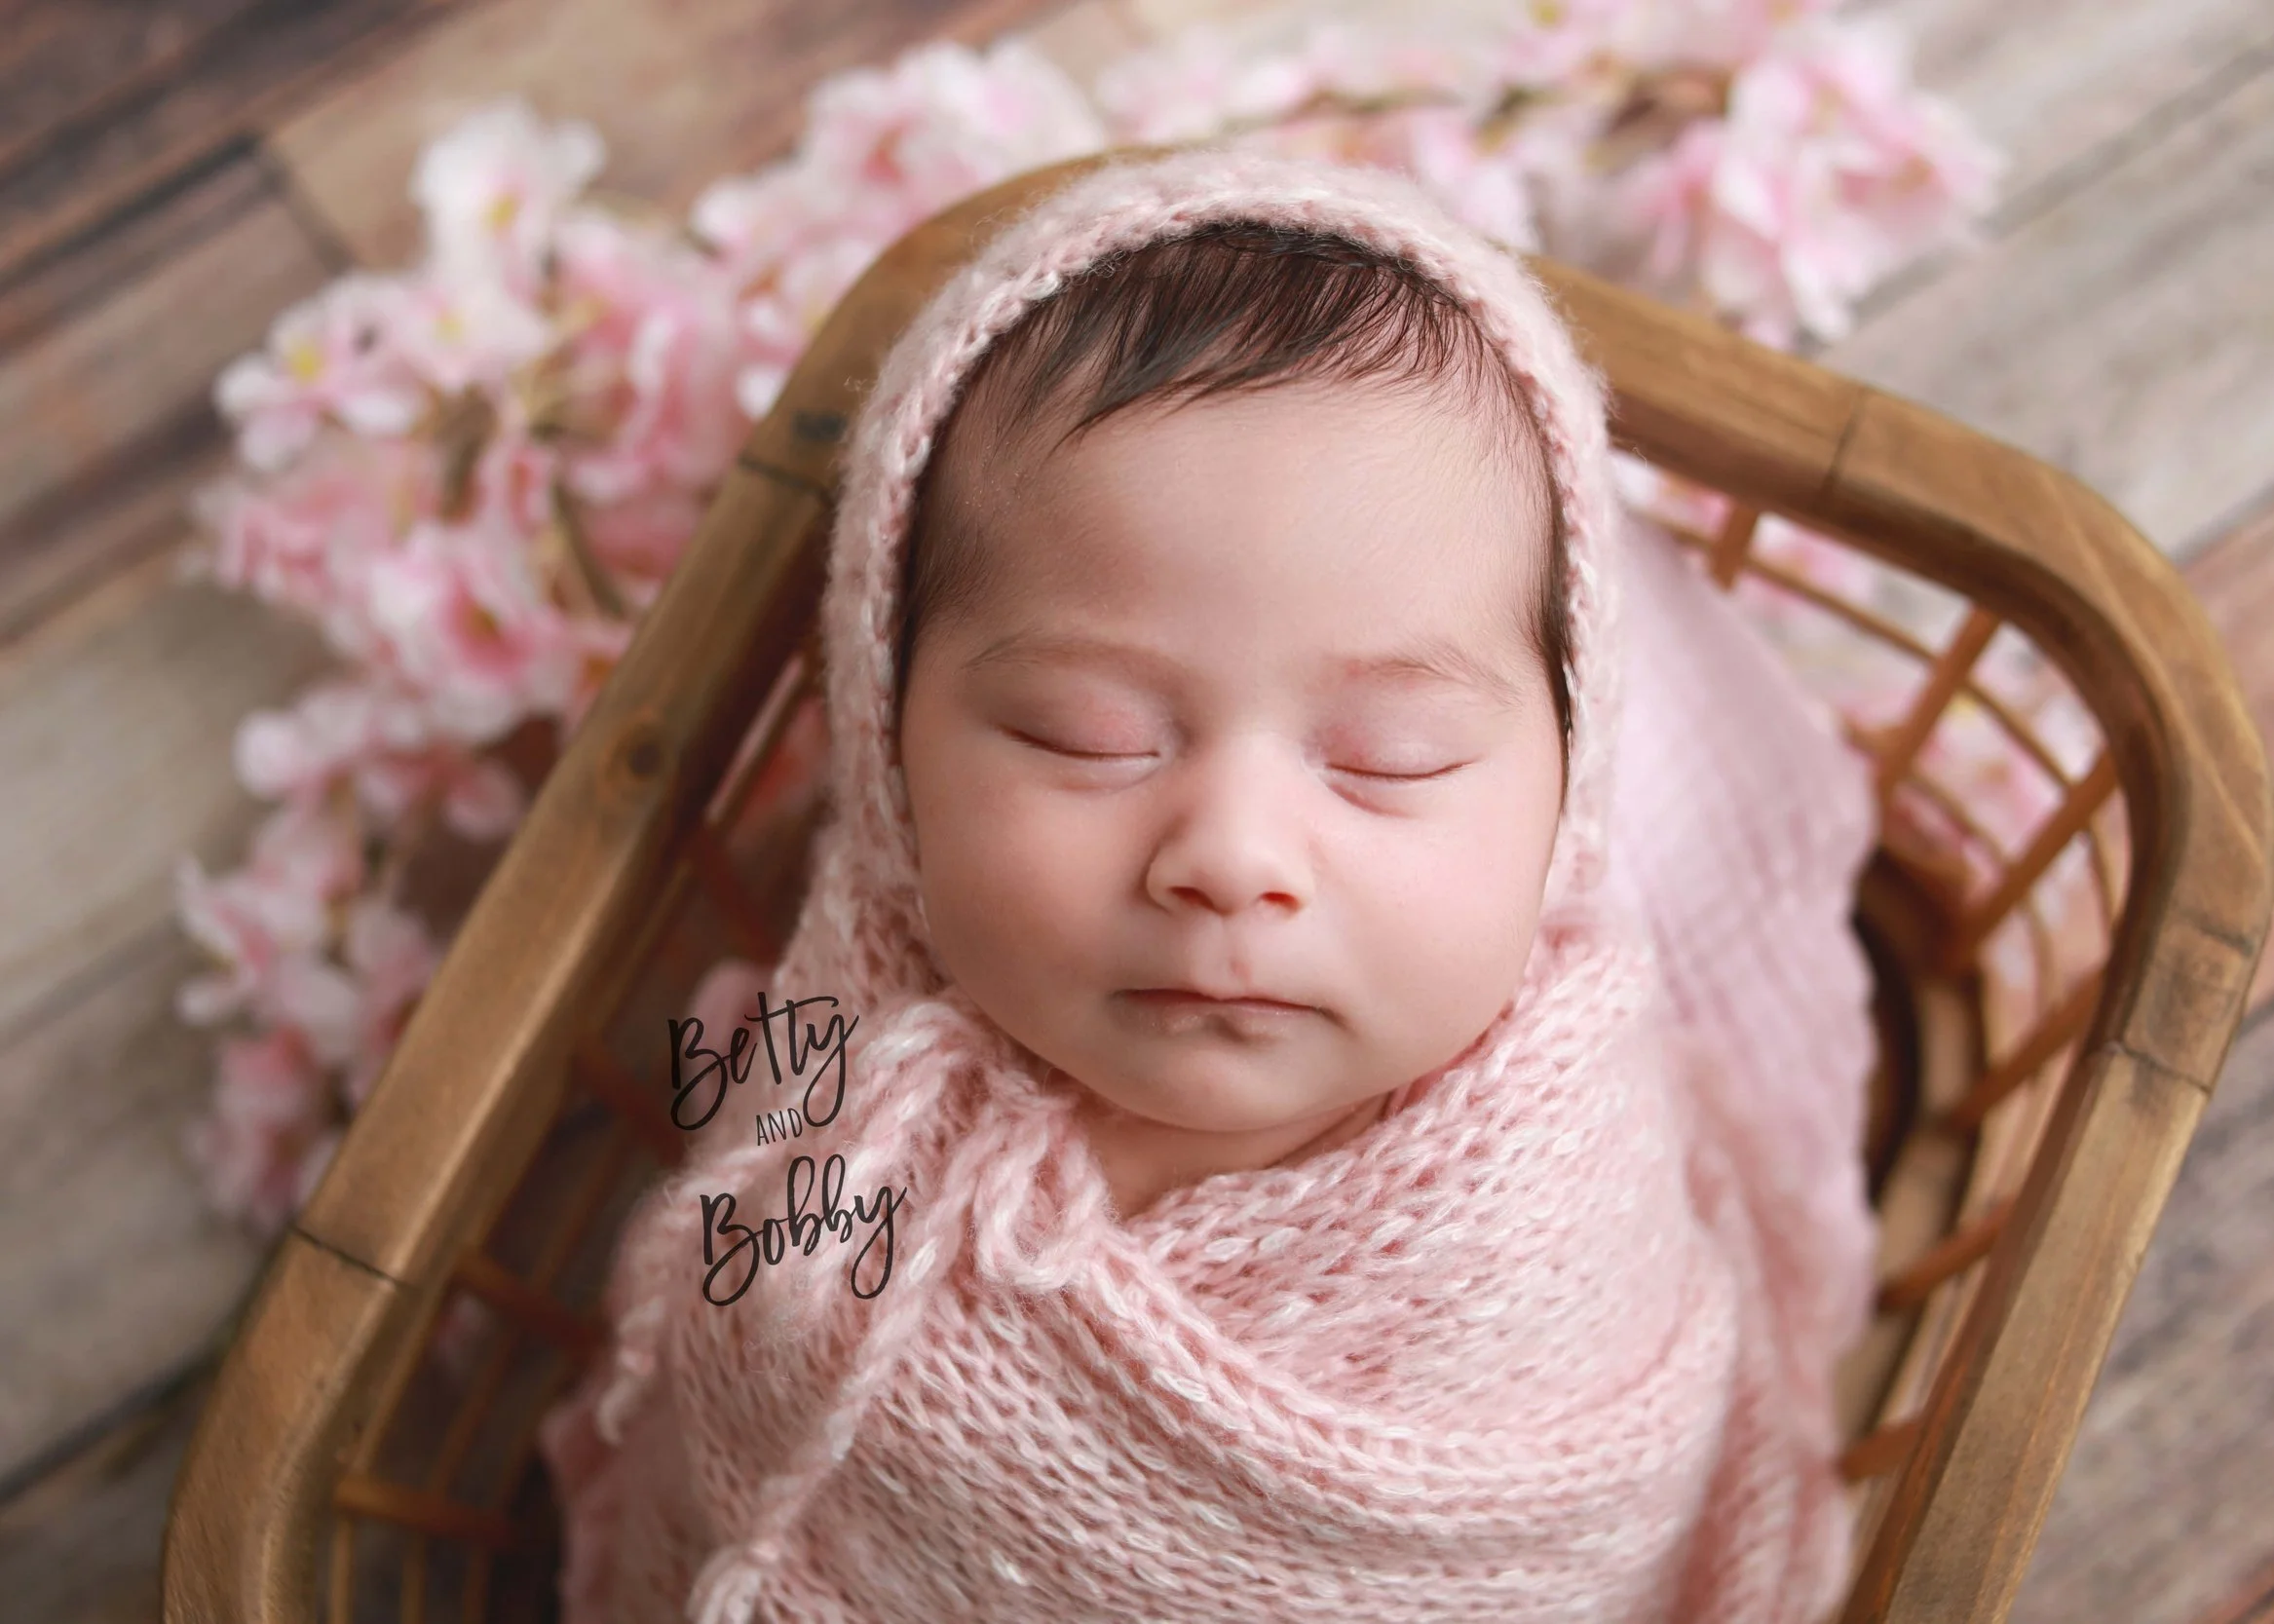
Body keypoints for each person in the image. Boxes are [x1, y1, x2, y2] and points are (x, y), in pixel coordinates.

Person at [540, 145, 1881, 1624]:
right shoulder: (836, 1064)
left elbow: (1586, 1534)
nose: (1233, 855)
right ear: (887, 744)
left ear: (1564, 801)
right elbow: (724, 1373)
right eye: (1087, 734)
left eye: (1392, 755)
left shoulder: (1562, 1195)